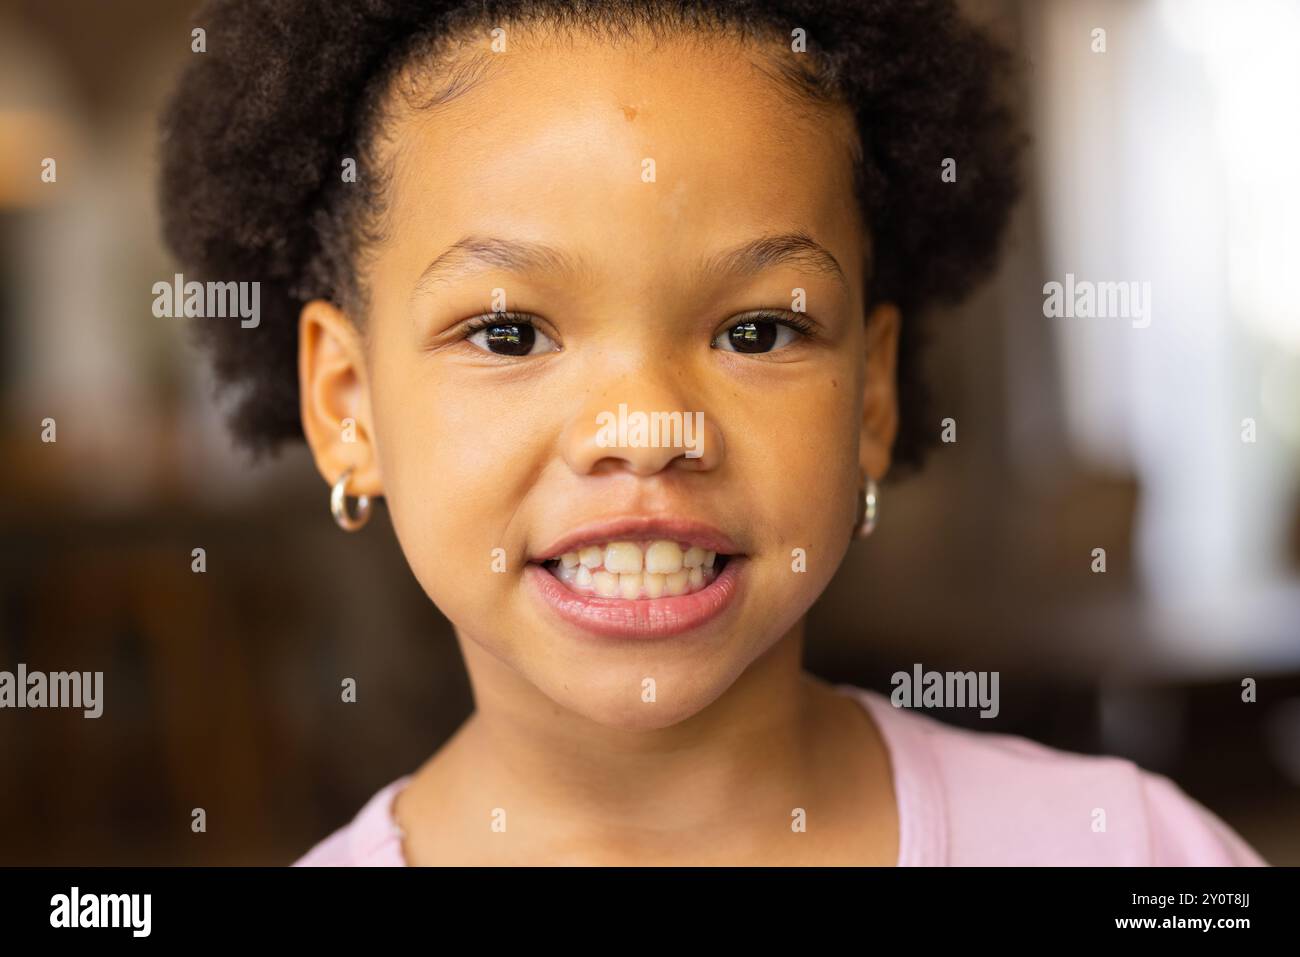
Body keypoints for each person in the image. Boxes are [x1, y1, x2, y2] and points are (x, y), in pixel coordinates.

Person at [157, 0, 1266, 866]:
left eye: (756, 329)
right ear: (347, 406)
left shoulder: (1130, 851)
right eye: (506, 333)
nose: (646, 431)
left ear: (870, 395)